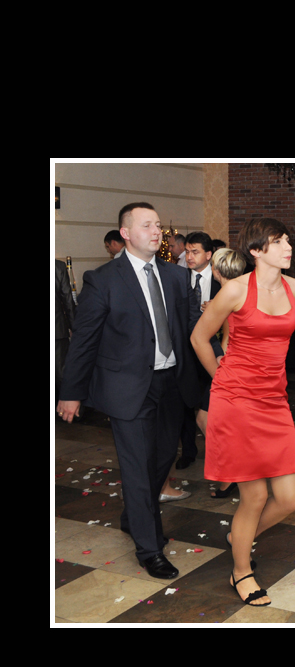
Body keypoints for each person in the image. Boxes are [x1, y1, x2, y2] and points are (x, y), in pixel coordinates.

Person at [57, 202, 201, 580]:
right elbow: (84, 341)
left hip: (171, 384)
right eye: (147, 225)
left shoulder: (176, 276)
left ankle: (133, 516)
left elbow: (193, 332)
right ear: (125, 233)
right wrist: (70, 392)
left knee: (162, 459)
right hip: (128, 388)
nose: (156, 232)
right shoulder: (103, 279)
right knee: (137, 467)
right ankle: (149, 548)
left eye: (158, 225)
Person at [191, 218, 295, 607]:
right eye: (278, 241)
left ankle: (241, 536)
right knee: (254, 496)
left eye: (287, 239)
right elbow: (199, 337)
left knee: (290, 498)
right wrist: (221, 378)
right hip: (236, 402)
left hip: (274, 400)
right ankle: (241, 570)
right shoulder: (235, 290)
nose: (288, 247)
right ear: (256, 251)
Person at [195, 247, 248, 500]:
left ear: (216, 271)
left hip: (229, 366)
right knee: (214, 420)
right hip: (242, 365)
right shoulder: (245, 291)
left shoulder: (226, 295)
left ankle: (232, 473)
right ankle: (235, 470)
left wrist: (221, 364)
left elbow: (227, 335)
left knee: (207, 419)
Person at [175, 231, 221, 472]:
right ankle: (188, 451)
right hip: (186, 351)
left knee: (212, 403)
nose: (189, 257)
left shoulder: (223, 281)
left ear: (209, 254)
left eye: (195, 252)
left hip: (214, 351)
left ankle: (221, 451)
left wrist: (219, 309)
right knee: (184, 403)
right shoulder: (178, 279)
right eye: (187, 252)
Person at [55, 259, 76, 400]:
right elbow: (68, 299)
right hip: (56, 329)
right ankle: (70, 405)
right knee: (62, 372)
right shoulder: (58, 266)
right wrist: (74, 327)